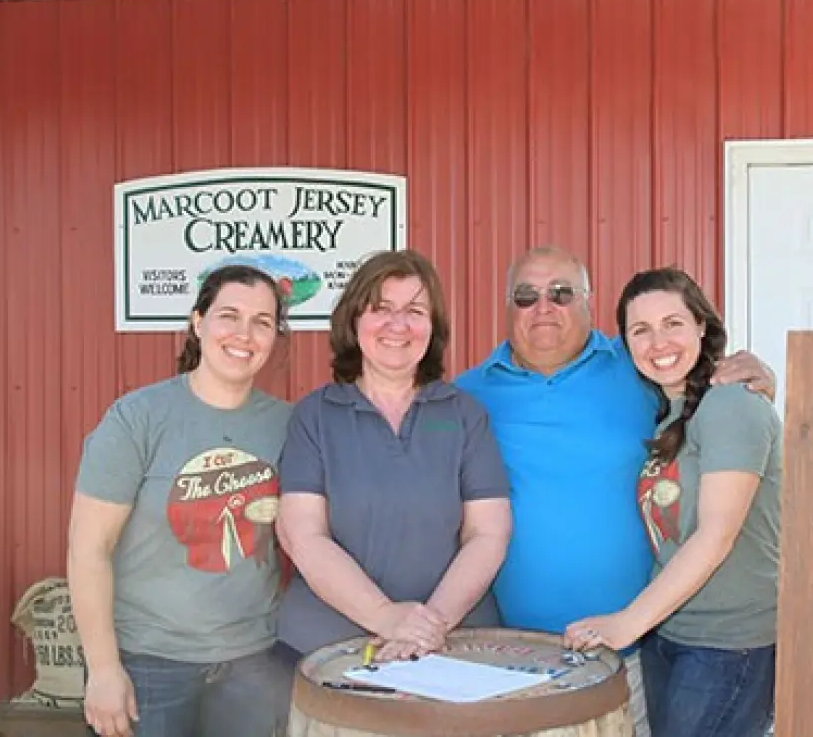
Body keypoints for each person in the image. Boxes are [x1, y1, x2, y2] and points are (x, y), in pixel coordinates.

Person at [454, 246, 775, 737]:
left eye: (562, 293)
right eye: (526, 295)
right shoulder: (467, 395)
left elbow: (724, 420)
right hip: (516, 657)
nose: (544, 306)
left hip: (637, 650)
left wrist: (758, 377)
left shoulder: (638, 372)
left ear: (588, 302)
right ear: (506, 306)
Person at [68, 264, 294, 737]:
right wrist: (104, 670)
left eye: (262, 321)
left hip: (251, 663)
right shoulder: (138, 418)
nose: (244, 334)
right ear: (198, 322)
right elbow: (88, 550)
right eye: (228, 315)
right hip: (147, 663)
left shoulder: (290, 426)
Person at [564, 267, 782, 737]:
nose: (658, 342)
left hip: (728, 646)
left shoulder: (732, 404)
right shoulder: (674, 416)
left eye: (673, 323)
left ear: (702, 325)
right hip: (671, 636)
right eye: (640, 330)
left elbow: (717, 532)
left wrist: (626, 623)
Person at [274, 249, 513, 667]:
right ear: (354, 321)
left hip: (453, 643)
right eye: (381, 308)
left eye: (415, 311)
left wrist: (430, 624)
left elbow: (488, 533)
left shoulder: (463, 415)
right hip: (327, 646)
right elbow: (303, 535)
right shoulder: (314, 416)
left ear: (432, 326)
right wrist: (385, 617)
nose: (398, 325)